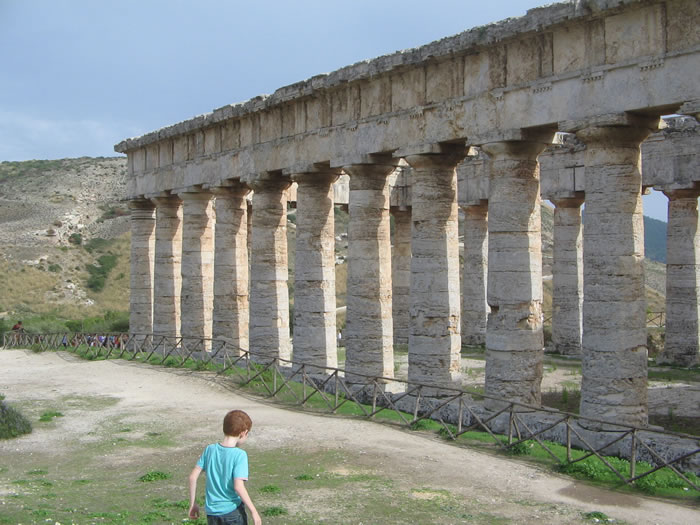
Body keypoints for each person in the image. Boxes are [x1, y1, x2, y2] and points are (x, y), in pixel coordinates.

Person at [188, 409, 262, 525]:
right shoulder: (239, 455)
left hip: (212, 514)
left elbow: (192, 477)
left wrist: (193, 504)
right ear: (243, 433)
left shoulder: (210, 450)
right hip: (232, 513)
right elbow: (238, 486)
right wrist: (254, 511)